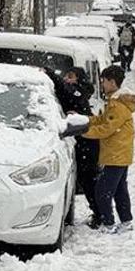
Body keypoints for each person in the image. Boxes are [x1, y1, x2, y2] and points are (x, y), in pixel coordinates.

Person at [82, 65, 135, 234]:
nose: (102, 84)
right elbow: (103, 119)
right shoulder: (115, 101)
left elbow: (107, 128)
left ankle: (109, 224)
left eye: (104, 81)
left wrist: (85, 132)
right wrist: (86, 120)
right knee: (120, 190)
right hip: (119, 154)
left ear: (112, 82)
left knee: (102, 191)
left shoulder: (118, 106)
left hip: (116, 154)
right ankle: (126, 221)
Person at [44, 67, 101, 227]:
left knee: (89, 180)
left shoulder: (78, 92)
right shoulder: (78, 92)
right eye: (66, 76)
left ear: (79, 79)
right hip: (82, 142)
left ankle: (101, 214)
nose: (67, 79)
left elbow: (65, 89)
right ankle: (100, 212)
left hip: (87, 143)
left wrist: (49, 72)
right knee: (87, 180)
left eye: (71, 76)